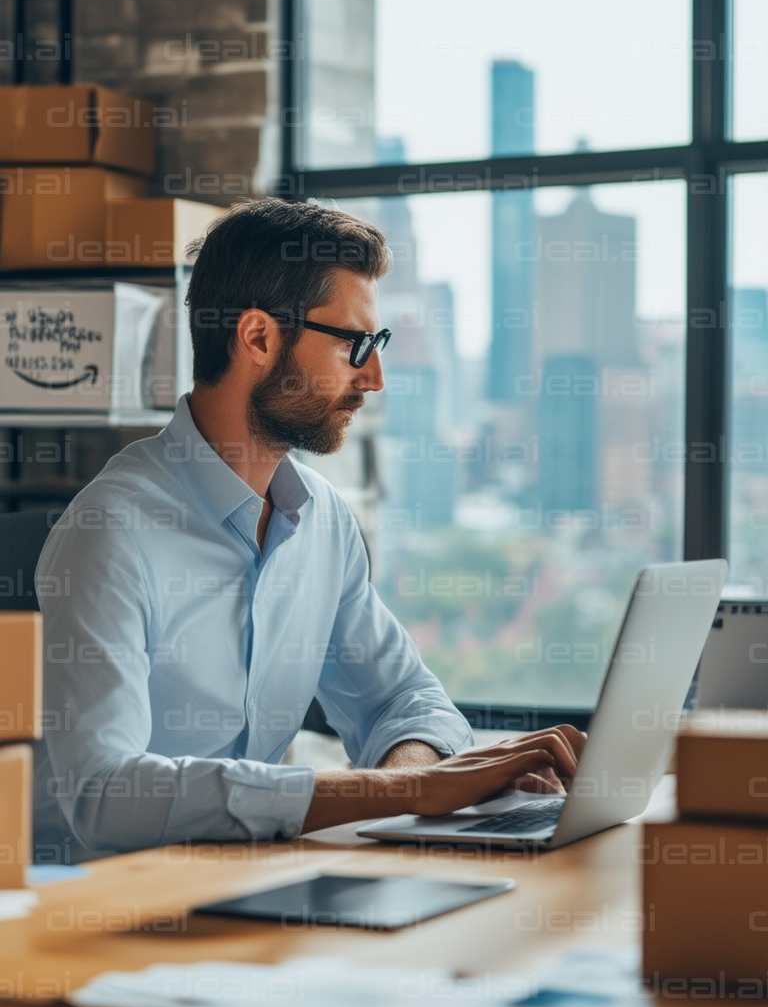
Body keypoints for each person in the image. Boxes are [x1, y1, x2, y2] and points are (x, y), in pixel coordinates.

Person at [34, 199, 584, 861]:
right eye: (356, 345)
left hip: (253, 885)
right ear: (260, 338)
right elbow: (104, 796)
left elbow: (407, 702)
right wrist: (408, 791)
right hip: (108, 914)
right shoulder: (110, 532)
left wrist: (410, 782)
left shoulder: (322, 520)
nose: (374, 378)